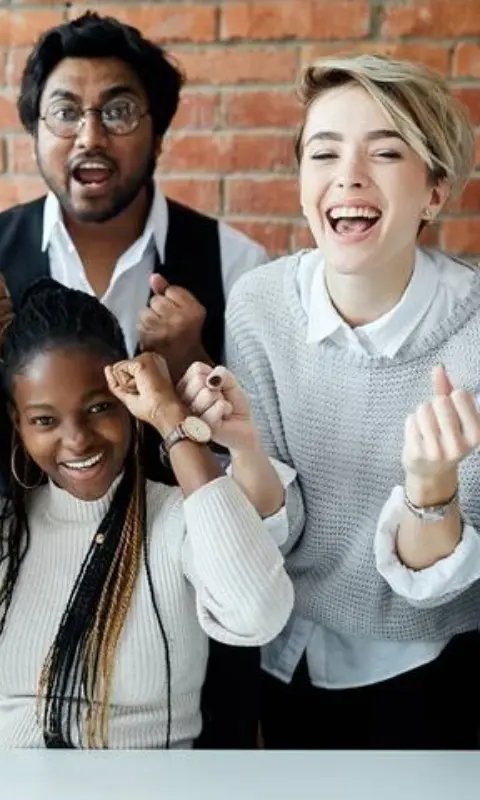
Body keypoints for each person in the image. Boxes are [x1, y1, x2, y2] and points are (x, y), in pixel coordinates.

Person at [0, 10, 273, 749]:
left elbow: (266, 478)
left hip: (189, 609)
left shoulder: (237, 266)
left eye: (117, 110)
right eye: (65, 111)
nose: (89, 135)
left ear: (156, 127)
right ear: (35, 129)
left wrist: (190, 362)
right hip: (32, 605)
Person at [0, 280, 294, 749]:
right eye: (45, 420)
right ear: (19, 422)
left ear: (130, 402)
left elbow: (256, 615)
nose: (77, 440)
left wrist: (172, 420)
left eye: (98, 408)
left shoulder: (180, 519)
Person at [223, 53, 480, 749]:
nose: (348, 176)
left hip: (436, 667)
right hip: (287, 659)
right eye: (323, 152)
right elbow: (270, 530)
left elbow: (449, 581)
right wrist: (243, 451)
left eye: (386, 151)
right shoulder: (260, 306)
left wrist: (432, 490)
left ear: (434, 191)